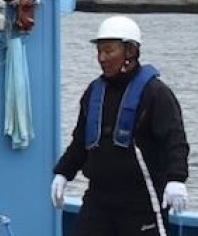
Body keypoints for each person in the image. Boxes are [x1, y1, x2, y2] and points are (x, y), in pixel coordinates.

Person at [51, 15, 189, 235]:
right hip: (99, 199)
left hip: (142, 201)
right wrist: (63, 173)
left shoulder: (155, 93)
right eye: (99, 51)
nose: (102, 58)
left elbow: (175, 141)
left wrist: (176, 179)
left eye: (108, 51)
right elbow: (80, 143)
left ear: (130, 51)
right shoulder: (93, 93)